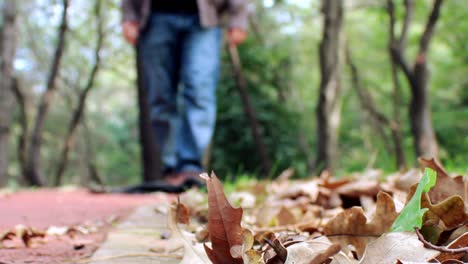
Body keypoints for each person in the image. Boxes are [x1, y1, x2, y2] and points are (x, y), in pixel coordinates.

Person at [121, 0, 248, 187]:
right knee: (160, 94)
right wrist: (129, 16)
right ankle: (171, 169)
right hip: (155, 17)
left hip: (205, 19)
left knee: (199, 89)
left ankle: (191, 166)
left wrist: (238, 17)